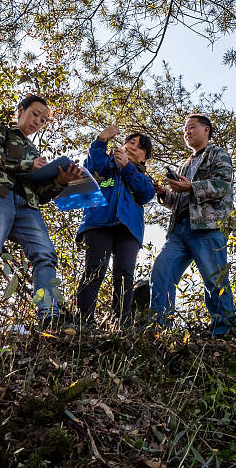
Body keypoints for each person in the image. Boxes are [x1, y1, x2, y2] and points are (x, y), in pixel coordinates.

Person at [0, 94, 81, 331]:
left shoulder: (34, 150)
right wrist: (26, 165)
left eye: (43, 120)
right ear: (21, 110)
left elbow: (40, 193)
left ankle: (49, 317)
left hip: (27, 206)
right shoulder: (2, 131)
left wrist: (60, 180)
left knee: (45, 254)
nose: (38, 122)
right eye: (35, 114)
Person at [150, 114, 236, 337]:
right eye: (184, 130)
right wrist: (163, 194)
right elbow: (178, 201)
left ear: (206, 129)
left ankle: (222, 333)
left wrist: (192, 187)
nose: (186, 132)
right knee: (161, 271)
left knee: (214, 279)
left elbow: (223, 185)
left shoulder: (218, 154)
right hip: (180, 230)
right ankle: (160, 329)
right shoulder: (185, 164)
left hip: (208, 227)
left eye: (191, 127)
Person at [75, 124, 155, 328]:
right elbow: (92, 166)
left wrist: (127, 168)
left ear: (144, 158)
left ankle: (120, 322)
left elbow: (146, 194)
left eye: (138, 146)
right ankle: (83, 321)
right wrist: (101, 139)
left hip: (128, 229)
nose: (132, 146)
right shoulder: (106, 164)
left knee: (124, 274)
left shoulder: (142, 177)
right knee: (94, 268)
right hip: (98, 222)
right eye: (130, 142)